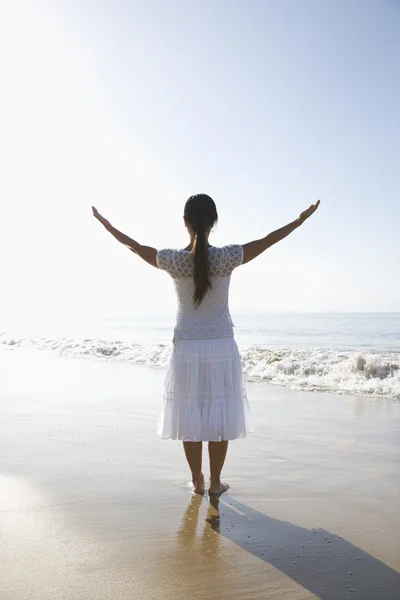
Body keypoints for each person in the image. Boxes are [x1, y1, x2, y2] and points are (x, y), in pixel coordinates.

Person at [92, 195, 320, 495]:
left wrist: (108, 226)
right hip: (222, 348)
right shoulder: (227, 257)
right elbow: (267, 241)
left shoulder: (173, 260)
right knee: (220, 415)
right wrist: (300, 220)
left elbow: (135, 247)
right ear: (214, 223)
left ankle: (197, 480)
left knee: (190, 415)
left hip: (186, 349)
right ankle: (215, 483)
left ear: (185, 222)